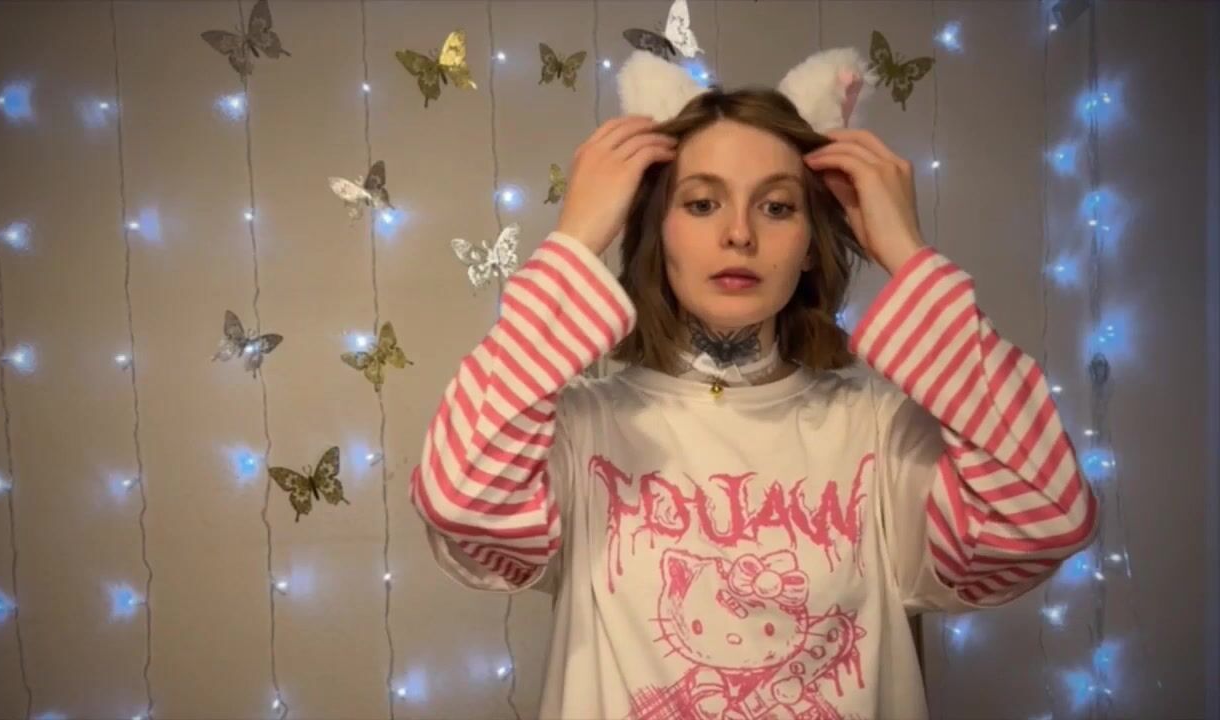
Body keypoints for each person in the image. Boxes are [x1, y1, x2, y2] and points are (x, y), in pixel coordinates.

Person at [409, 47, 1097, 720]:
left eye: (776, 208)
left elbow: (1045, 516)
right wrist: (574, 242)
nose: (739, 233)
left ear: (810, 245)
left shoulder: (880, 432)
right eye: (702, 203)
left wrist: (909, 256)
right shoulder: (577, 431)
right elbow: (461, 499)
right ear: (657, 233)